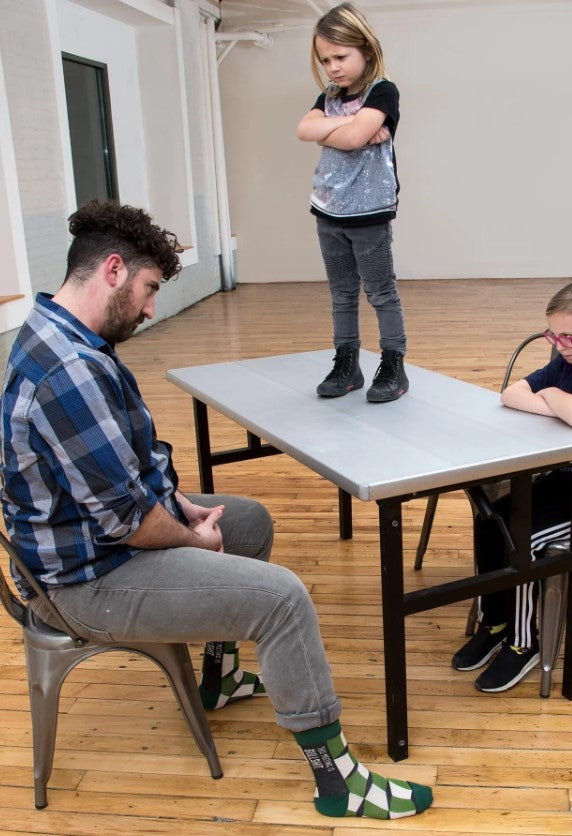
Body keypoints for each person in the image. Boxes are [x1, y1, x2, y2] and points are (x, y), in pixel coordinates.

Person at [0, 200, 432, 820]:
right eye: (150, 289)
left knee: (246, 520)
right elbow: (130, 524)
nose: (152, 308)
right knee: (282, 599)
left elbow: (127, 467)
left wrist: (181, 504)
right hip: (85, 581)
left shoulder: (60, 333)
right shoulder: (69, 371)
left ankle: (220, 679)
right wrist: (188, 536)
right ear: (114, 270)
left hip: (88, 543)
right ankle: (337, 780)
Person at [452, 282, 572, 692]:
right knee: (493, 519)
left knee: (524, 538)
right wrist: (563, 399)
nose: (558, 345)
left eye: (567, 336)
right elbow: (511, 394)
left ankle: (525, 644)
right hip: (564, 481)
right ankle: (497, 622)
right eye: (551, 336)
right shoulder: (565, 366)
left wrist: (558, 399)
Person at [296, 2, 408, 403]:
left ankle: (393, 363)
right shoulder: (328, 95)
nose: (333, 67)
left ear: (365, 48)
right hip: (328, 210)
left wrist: (339, 131)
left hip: (370, 213)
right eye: (325, 60)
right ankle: (347, 364)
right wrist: (349, 126)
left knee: (380, 291)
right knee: (341, 292)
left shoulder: (383, 91)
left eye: (341, 56)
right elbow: (303, 128)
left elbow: (352, 139)